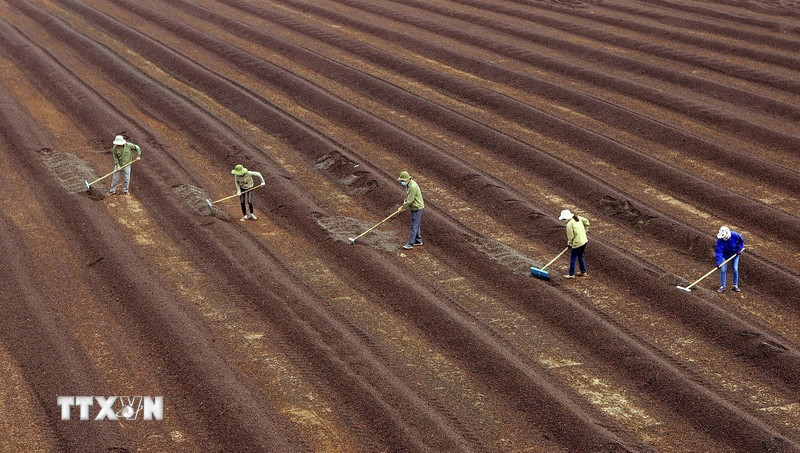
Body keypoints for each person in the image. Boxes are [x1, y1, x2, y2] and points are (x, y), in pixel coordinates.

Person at [559, 209, 590, 278]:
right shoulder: (577, 217)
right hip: (584, 241)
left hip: (577, 244)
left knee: (573, 258)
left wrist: (569, 244)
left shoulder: (569, 225)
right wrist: (585, 230)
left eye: (564, 219)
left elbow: (571, 237)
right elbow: (586, 221)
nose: (563, 220)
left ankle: (571, 274)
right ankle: (583, 272)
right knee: (581, 256)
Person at [397, 171, 424, 250]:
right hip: (415, 207)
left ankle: (410, 244)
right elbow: (408, 197)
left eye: (403, 181)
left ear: (408, 179)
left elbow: (409, 201)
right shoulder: (409, 185)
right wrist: (403, 205)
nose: (402, 182)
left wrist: (402, 207)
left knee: (413, 226)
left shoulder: (412, 187)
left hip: (417, 208)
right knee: (416, 224)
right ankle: (418, 240)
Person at [715, 226, 745, 292]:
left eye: (724, 237)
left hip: (735, 254)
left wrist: (739, 249)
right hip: (725, 255)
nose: (723, 239)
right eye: (722, 237)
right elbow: (719, 251)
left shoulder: (735, 235)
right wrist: (718, 262)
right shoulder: (720, 241)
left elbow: (741, 241)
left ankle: (735, 285)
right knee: (723, 269)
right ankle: (723, 286)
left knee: (735, 268)